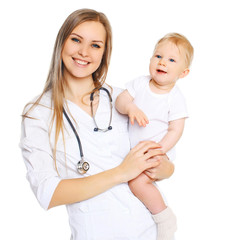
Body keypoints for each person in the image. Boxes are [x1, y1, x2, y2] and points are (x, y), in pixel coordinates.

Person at [20, 9, 175, 240]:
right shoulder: (39, 112)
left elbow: (167, 165)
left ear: (104, 53)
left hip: (149, 232)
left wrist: (161, 167)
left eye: (95, 45)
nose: (83, 52)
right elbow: (48, 193)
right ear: (61, 42)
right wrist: (121, 172)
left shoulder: (125, 100)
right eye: (76, 40)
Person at [115, 33, 194, 240]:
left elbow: (176, 130)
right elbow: (120, 101)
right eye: (158, 56)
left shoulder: (174, 98)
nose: (162, 62)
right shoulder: (140, 84)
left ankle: (164, 218)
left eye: (171, 60)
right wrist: (130, 107)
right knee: (130, 181)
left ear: (183, 73)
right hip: (136, 153)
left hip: (159, 151)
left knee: (137, 183)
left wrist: (158, 150)